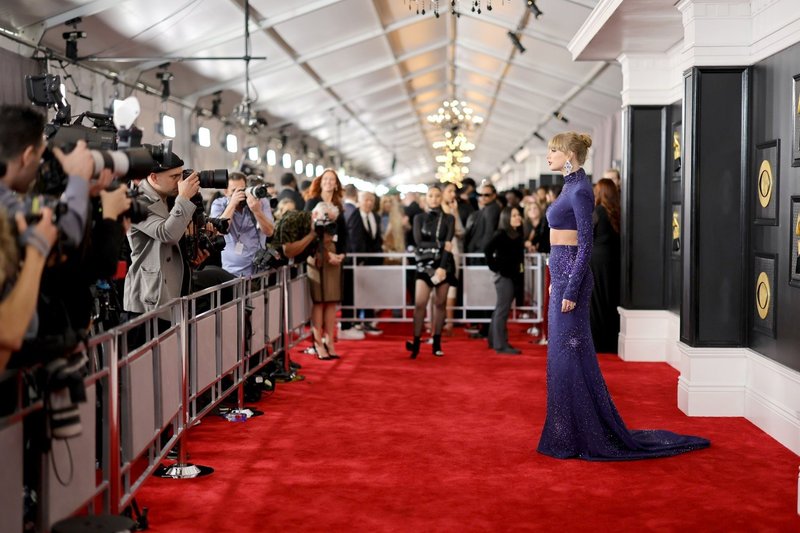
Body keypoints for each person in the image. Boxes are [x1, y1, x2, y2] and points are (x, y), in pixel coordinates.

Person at [537, 131, 709, 460]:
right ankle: (568, 431)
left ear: (569, 156)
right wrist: (555, 279)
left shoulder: (582, 190)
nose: (548, 157)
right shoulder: (569, 185)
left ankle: (582, 433)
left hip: (572, 278)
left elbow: (585, 244)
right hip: (561, 275)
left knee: (569, 356)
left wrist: (571, 286)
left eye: (553, 152)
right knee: (562, 357)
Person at [124, 152, 200, 318]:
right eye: (174, 177)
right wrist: (184, 197)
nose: (180, 182)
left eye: (181, 175)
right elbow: (167, 233)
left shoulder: (170, 199)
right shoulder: (137, 203)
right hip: (148, 300)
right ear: (154, 177)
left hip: (173, 293)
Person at [406, 185, 455, 359]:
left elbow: (449, 246)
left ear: (441, 198)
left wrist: (442, 267)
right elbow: (419, 243)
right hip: (424, 266)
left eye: (436, 195)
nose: (433, 198)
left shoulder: (449, 218)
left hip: (444, 264)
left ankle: (437, 343)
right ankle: (416, 343)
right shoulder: (418, 218)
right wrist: (440, 245)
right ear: (425, 198)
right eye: (430, 195)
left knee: (440, 304)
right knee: (420, 303)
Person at [304, 169, 348, 357]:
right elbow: (308, 231)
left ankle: (330, 340)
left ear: (337, 184)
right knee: (319, 301)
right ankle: (317, 342)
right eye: (326, 179)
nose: (329, 182)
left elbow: (345, 233)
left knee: (331, 300)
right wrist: (325, 253)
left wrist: (342, 254)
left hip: (334, 255)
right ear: (320, 182)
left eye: (333, 180)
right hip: (316, 255)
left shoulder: (339, 204)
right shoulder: (311, 203)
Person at [209, 171, 274, 277]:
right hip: (230, 273)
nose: (239, 194)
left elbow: (269, 232)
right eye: (234, 191)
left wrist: (256, 210)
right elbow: (219, 232)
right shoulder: (219, 204)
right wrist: (232, 204)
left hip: (257, 272)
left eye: (242, 190)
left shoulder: (260, 202)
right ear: (226, 191)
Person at [485, 206, 525, 355]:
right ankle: (500, 345)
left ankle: (493, 340)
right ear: (506, 218)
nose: (518, 217)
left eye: (518, 215)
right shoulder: (501, 234)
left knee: (500, 309)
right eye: (514, 215)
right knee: (502, 310)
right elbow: (487, 250)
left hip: (512, 276)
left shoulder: (517, 234)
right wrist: (496, 268)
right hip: (504, 277)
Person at [590, 178, 621, 353]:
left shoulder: (598, 211)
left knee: (595, 302)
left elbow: (586, 235)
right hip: (614, 260)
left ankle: (598, 342)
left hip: (596, 261)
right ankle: (611, 341)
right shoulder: (618, 212)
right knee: (610, 300)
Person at [346, 190, 383, 335]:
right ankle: (353, 323)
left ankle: (368, 321)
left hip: (373, 263)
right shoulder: (354, 215)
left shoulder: (375, 217)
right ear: (359, 201)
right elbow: (354, 240)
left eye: (371, 201)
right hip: (358, 263)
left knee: (370, 293)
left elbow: (377, 239)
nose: (369, 203)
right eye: (366, 200)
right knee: (356, 293)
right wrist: (360, 259)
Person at [441, 182, 465, 335]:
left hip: (454, 251)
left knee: (451, 286)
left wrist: (455, 213)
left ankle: (449, 322)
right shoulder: (437, 210)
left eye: (454, 191)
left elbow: (461, 231)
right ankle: (436, 321)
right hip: (440, 250)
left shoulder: (453, 210)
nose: (452, 194)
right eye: (449, 191)